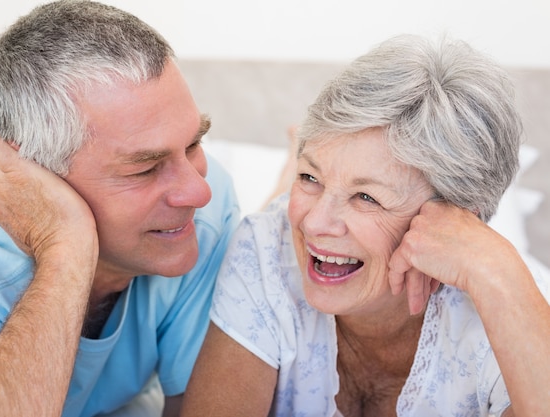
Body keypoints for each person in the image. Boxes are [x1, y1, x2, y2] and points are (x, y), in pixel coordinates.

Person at [180, 35, 550, 416]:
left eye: (367, 198)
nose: (314, 222)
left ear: (454, 224)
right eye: (309, 177)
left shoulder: (508, 315)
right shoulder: (266, 245)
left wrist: (501, 276)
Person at [0, 1, 240, 416]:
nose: (197, 192)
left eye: (194, 145)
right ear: (37, 178)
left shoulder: (203, 208)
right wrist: (65, 248)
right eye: (145, 168)